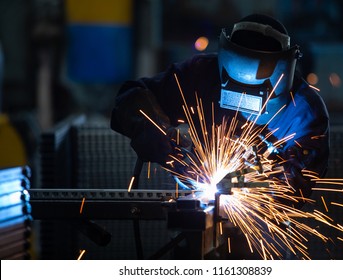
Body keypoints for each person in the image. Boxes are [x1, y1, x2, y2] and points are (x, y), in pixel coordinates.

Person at [110, 13, 330, 259]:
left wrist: (252, 181)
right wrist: (169, 144)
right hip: (196, 225)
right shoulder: (200, 75)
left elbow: (296, 184)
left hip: (264, 238)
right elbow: (131, 99)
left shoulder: (304, 111)